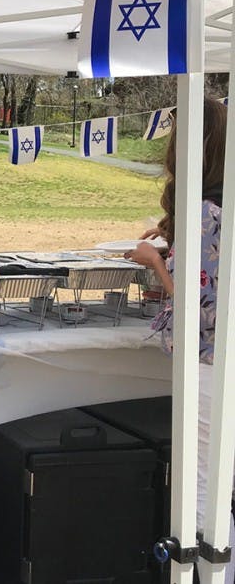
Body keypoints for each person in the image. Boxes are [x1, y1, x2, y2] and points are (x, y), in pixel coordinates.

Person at [127, 97, 230, 584]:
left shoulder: (207, 214)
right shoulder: (217, 210)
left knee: (202, 495)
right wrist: (173, 241)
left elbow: (198, 307)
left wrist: (156, 262)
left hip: (211, 366)